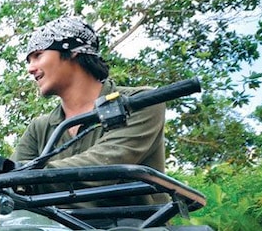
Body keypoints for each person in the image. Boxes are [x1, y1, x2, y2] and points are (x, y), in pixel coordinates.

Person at [12, 15, 167, 206]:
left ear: (73, 51)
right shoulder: (39, 127)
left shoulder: (141, 102)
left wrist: (27, 175)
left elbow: (106, 163)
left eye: (38, 55)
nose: (30, 68)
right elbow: (10, 180)